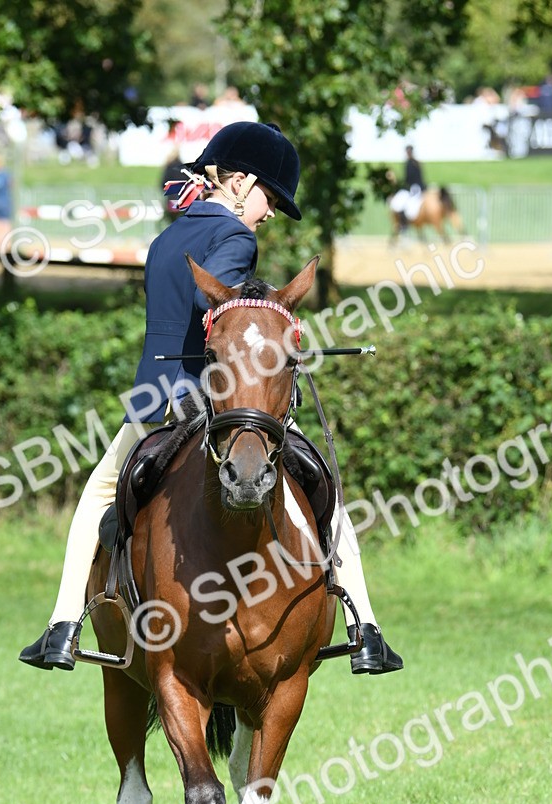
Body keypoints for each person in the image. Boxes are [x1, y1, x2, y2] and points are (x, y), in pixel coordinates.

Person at [20, 121, 402, 676]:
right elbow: (218, 308)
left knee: (96, 497)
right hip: (215, 401)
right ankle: (365, 628)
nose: (270, 212)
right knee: (328, 500)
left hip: (151, 404)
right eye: (271, 197)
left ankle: (61, 627)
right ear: (243, 182)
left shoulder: (168, 234)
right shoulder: (236, 238)